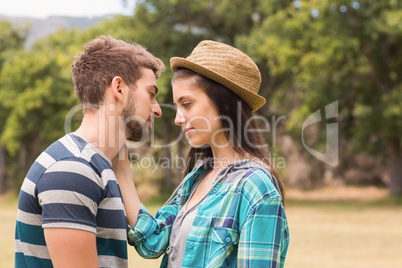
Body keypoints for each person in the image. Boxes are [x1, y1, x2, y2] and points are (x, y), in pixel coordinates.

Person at [118, 40, 289, 267]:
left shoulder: (255, 187)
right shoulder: (198, 177)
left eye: (186, 104)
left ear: (225, 105)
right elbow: (154, 241)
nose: (178, 118)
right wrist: (119, 162)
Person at [14, 35, 165, 268]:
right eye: (151, 94)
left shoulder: (96, 165)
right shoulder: (73, 170)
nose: (157, 110)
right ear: (119, 88)